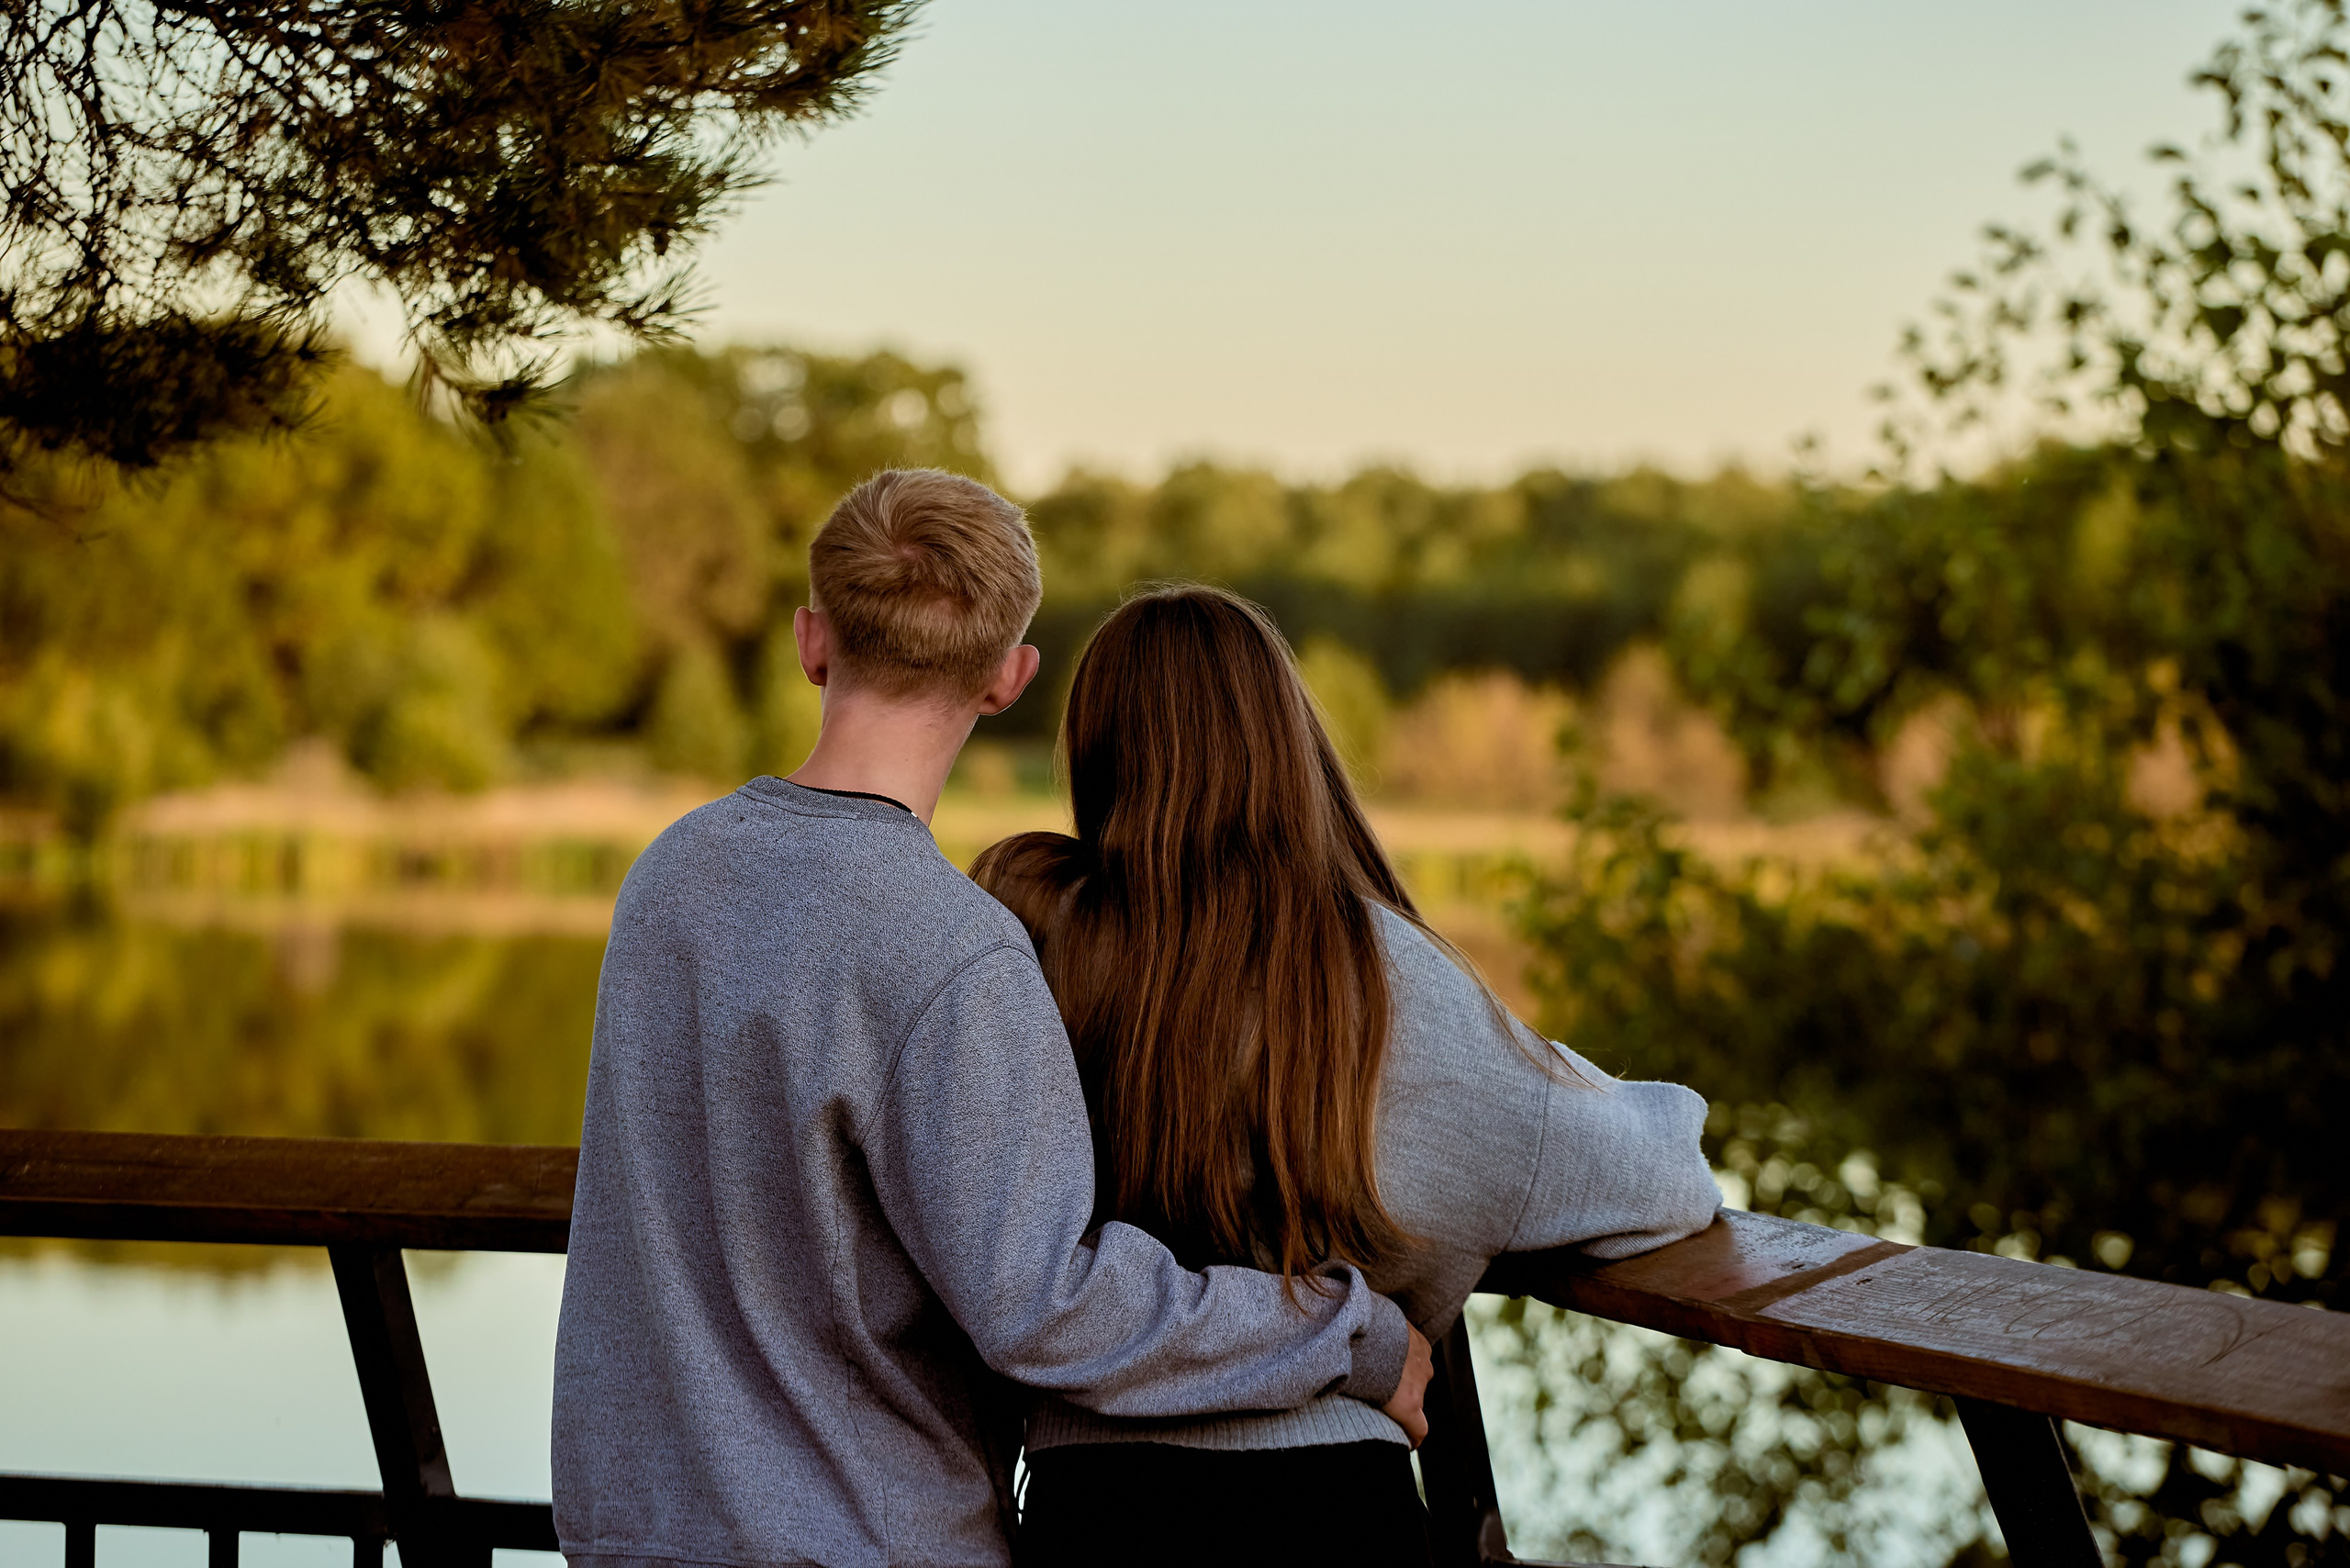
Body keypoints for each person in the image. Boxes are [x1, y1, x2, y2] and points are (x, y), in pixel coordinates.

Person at [553, 476, 1432, 1568]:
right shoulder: (954, 949)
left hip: (636, 1543)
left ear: (812, 642)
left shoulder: (668, 876)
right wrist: (1350, 1333)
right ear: (1009, 678)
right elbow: (1045, 1307)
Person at [972, 585, 1724, 1568]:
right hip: (1327, 1501)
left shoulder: (1021, 953)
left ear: (1096, 752)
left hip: (1089, 1506)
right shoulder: (1377, 977)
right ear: (1287, 744)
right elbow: (1658, 1181)